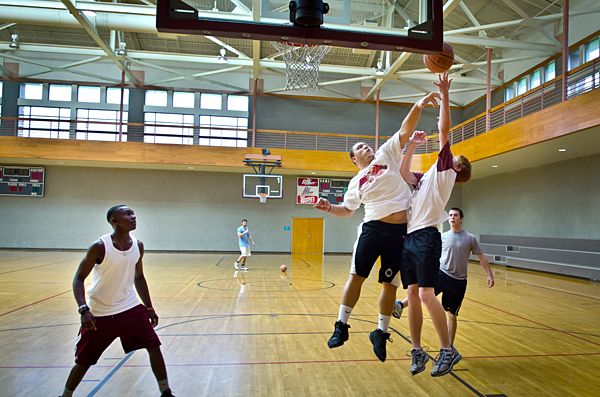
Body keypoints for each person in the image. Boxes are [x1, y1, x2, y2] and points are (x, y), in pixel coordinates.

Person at [313, 91, 440, 362]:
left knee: (390, 285)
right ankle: (341, 326)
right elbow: (347, 210)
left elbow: (406, 130)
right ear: (353, 158)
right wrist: (328, 208)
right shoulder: (355, 183)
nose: (366, 148)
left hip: (399, 233)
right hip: (372, 229)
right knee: (356, 276)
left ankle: (380, 333)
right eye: (359, 147)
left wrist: (419, 103)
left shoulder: (387, 154)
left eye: (366, 145)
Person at [398, 73, 472, 377]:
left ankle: (447, 350)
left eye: (458, 157)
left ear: (458, 168)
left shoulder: (446, 173)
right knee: (413, 295)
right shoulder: (429, 177)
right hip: (408, 239)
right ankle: (417, 351)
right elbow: (404, 174)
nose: (453, 154)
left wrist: (443, 93)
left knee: (427, 295)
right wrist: (412, 147)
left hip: (427, 236)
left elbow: (444, 131)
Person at [59, 205, 174, 397]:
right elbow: (78, 279)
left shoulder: (138, 246)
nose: (133, 216)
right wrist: (83, 309)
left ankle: (166, 392)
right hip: (99, 313)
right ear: (115, 221)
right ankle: (65, 395)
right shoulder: (99, 246)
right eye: (127, 214)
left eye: (133, 213)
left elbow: (139, 278)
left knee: (154, 346)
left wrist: (149, 307)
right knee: (84, 361)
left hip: (129, 307)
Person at [393, 207, 495, 349]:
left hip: (458, 281)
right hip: (441, 274)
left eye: (455, 215)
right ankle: (400, 305)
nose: (452, 217)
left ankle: (449, 348)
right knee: (424, 294)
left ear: (461, 219)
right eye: (450, 215)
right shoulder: (442, 236)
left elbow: (481, 257)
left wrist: (489, 274)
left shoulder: (470, 238)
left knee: (452, 315)